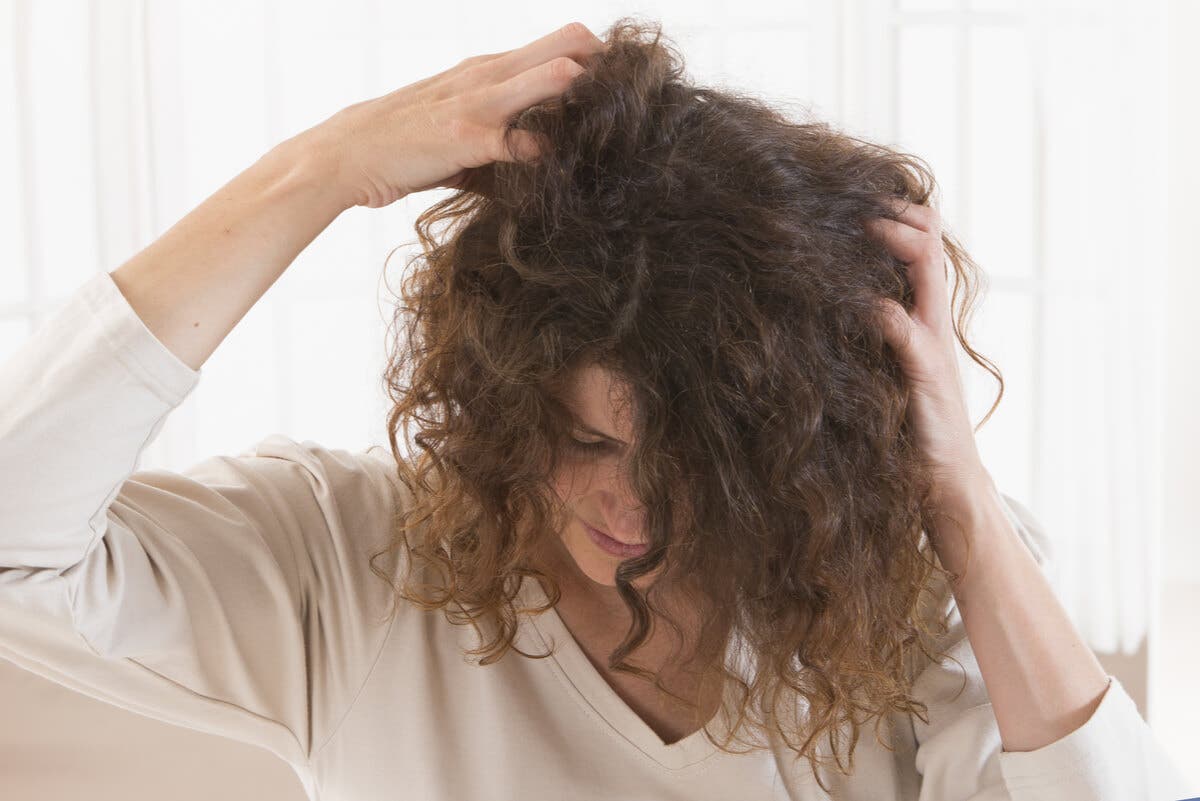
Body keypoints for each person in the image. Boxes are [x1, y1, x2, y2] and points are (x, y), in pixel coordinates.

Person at [0, 17, 1193, 801]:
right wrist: (317, 172)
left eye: (695, 459)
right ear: (505, 399)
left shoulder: (903, 579)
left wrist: (963, 504)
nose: (629, 505)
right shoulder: (350, 559)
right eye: (584, 439)